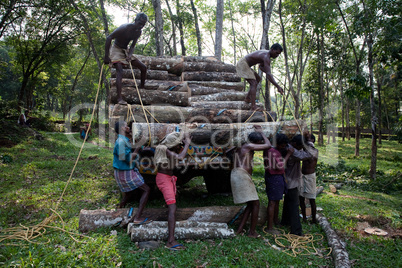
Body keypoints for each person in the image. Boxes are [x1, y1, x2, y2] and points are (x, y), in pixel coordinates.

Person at [231, 125, 271, 238]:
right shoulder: (248, 146)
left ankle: (240, 229)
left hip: (239, 174)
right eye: (259, 142)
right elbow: (268, 145)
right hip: (241, 175)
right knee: (256, 204)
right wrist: (262, 132)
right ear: (256, 142)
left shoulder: (242, 147)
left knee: (250, 204)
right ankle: (252, 232)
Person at [154, 131, 192, 251]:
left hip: (168, 178)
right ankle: (170, 241)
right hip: (164, 179)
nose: (179, 146)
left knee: (171, 205)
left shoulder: (168, 149)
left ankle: (168, 220)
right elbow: (180, 157)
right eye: (177, 144)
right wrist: (187, 144)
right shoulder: (164, 149)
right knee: (172, 208)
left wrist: (185, 139)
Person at [104, 13, 148, 105]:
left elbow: (132, 46)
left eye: (143, 25)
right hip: (116, 48)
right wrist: (106, 56)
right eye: (140, 23)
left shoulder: (138, 32)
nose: (141, 26)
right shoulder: (125, 27)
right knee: (120, 70)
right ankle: (119, 98)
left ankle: (142, 87)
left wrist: (129, 55)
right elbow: (109, 38)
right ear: (135, 21)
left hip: (125, 50)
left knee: (143, 68)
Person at [113, 121, 150, 225]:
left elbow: (128, 150)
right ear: (122, 129)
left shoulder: (124, 140)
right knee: (146, 190)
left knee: (129, 192)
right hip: (124, 172)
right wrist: (138, 147)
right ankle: (138, 217)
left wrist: (141, 147)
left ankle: (121, 207)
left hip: (123, 171)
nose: (128, 127)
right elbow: (128, 159)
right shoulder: (120, 142)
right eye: (125, 126)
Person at [281, 134, 313, 236]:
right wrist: (309, 143)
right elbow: (308, 155)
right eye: (300, 146)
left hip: (288, 180)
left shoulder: (288, 147)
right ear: (295, 143)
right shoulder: (292, 151)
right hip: (291, 182)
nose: (301, 148)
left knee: (288, 202)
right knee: (294, 205)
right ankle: (296, 230)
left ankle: (285, 221)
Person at [236, 43, 284, 110]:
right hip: (243, 64)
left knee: (258, 79)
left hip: (245, 64)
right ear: (272, 49)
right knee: (254, 83)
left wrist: (267, 73)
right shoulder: (266, 57)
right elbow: (268, 75)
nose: (277, 55)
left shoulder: (266, 54)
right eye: (276, 53)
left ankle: (247, 98)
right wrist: (278, 86)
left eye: (278, 54)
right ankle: (253, 106)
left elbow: (261, 66)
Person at [263, 133, 292, 234]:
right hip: (274, 177)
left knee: (277, 200)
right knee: (272, 202)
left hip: (275, 177)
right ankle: (269, 227)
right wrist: (288, 155)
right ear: (278, 144)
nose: (284, 147)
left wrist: (262, 132)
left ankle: (275, 221)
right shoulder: (273, 152)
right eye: (283, 145)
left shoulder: (269, 149)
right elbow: (280, 166)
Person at [299, 133, 319, 224]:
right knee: (301, 197)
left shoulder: (314, 150)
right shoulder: (306, 149)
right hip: (303, 176)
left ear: (313, 141)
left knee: (312, 199)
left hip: (310, 177)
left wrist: (306, 139)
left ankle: (314, 219)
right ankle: (304, 217)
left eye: (309, 139)